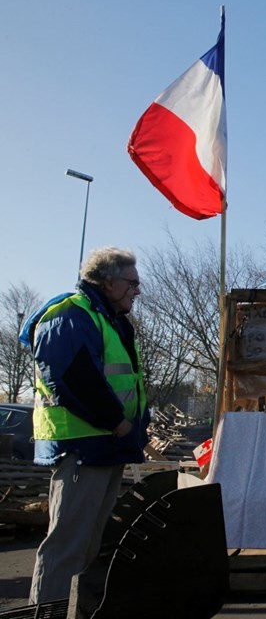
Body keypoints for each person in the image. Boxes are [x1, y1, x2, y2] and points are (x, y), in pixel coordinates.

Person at [19, 247, 149, 604]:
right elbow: (72, 380)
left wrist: (135, 427)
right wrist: (117, 422)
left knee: (87, 544)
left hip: (104, 445)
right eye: (132, 283)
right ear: (108, 282)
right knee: (66, 546)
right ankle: (45, 614)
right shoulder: (70, 316)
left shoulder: (105, 318)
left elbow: (124, 381)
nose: (137, 290)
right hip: (81, 446)